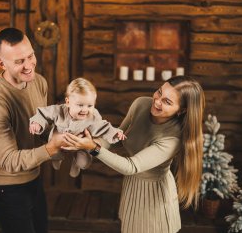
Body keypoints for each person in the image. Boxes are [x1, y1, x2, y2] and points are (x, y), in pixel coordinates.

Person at [63, 76, 205, 233]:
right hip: (132, 186)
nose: (157, 101)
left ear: (182, 110)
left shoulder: (173, 138)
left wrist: (93, 148)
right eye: (159, 92)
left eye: (167, 102)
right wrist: (87, 141)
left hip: (154, 196)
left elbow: (131, 166)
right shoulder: (141, 104)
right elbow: (115, 137)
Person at [0, 28, 65, 233]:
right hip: (7, 188)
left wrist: (65, 132)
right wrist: (51, 149)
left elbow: (41, 130)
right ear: (1, 63)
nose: (28, 66)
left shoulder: (39, 82)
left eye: (30, 56)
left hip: (33, 179)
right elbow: (9, 161)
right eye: (19, 62)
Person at [29, 77, 126, 177]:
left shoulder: (92, 117)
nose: (85, 110)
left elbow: (104, 127)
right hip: (59, 142)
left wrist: (115, 133)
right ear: (68, 102)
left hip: (81, 145)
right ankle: (57, 158)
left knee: (84, 162)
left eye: (89, 106)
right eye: (80, 105)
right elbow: (43, 113)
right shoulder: (59, 110)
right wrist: (37, 123)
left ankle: (76, 164)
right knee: (54, 152)